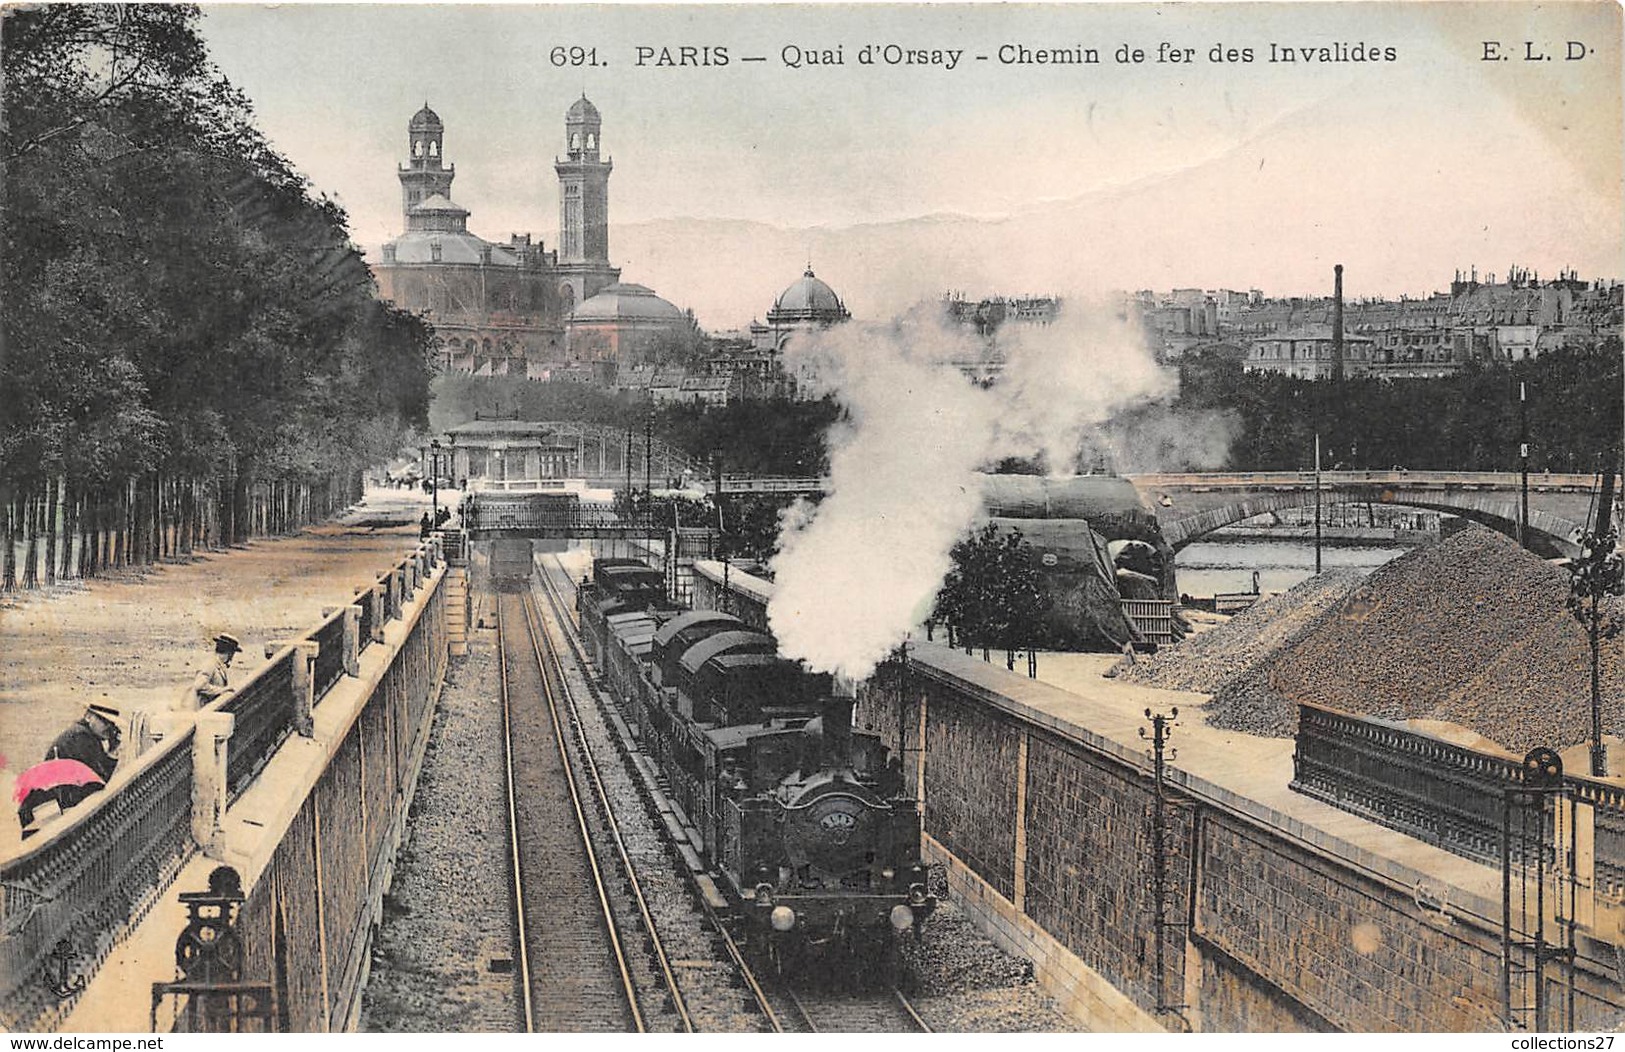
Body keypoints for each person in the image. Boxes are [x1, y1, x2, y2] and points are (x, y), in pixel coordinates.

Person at [16, 703, 123, 838]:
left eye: (112, 724)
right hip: (45, 810)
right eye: (104, 721)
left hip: (45, 806)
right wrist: (112, 754)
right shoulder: (81, 737)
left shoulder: (83, 734)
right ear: (89, 717)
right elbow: (98, 782)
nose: (109, 727)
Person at [183, 633, 241, 710]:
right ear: (229, 653)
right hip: (203, 711)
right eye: (232, 653)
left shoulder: (218, 665)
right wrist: (222, 690)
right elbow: (199, 686)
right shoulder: (210, 664)